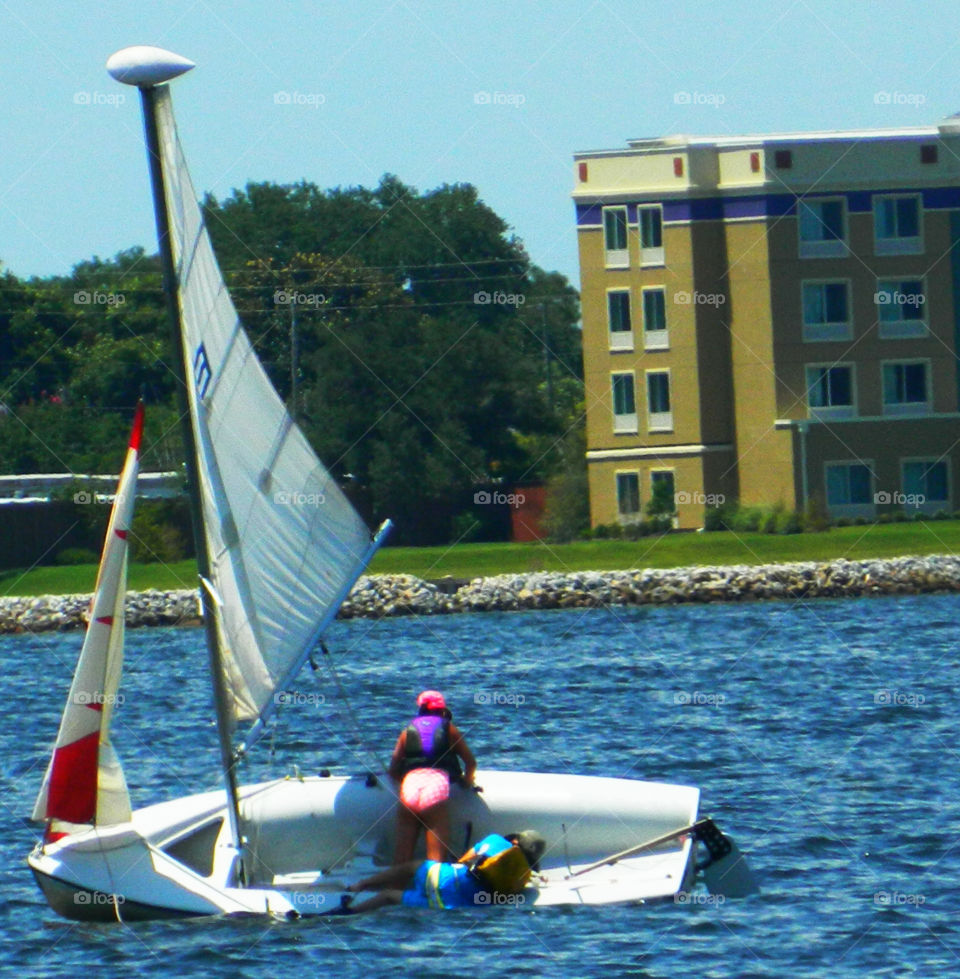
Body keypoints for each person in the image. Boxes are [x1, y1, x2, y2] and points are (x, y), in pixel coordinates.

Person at [324, 830, 546, 915]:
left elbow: (465, 860)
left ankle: (359, 887)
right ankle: (351, 913)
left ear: (515, 840)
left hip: (446, 878)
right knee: (390, 897)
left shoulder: (495, 840)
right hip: (453, 902)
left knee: (412, 867)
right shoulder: (523, 875)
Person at [389, 690, 476, 863]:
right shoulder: (449, 729)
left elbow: (393, 769)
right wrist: (467, 782)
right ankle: (432, 888)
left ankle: (397, 888)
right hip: (435, 787)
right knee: (436, 861)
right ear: (443, 709)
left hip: (410, 787)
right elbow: (470, 763)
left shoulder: (407, 731)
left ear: (420, 708)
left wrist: (403, 783)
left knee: (401, 859)